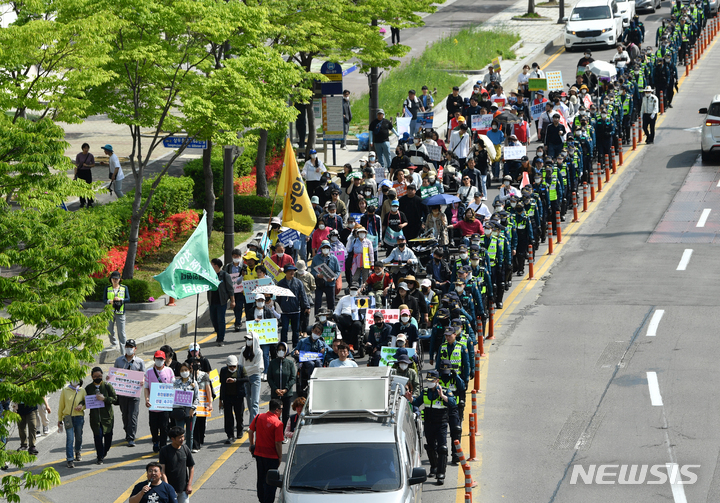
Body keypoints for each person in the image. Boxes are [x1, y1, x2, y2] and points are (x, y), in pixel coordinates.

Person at [407, 370, 455, 485]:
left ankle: (441, 473)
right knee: (430, 447)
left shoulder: (445, 391)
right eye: (428, 381)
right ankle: (434, 467)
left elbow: (453, 403)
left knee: (442, 448)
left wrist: (442, 396)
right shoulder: (425, 393)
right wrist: (410, 399)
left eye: (431, 381)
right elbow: (416, 402)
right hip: (429, 424)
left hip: (441, 424)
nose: (429, 383)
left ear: (437, 381)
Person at [248, 399, 284, 503]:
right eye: (281, 409)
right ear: (277, 410)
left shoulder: (259, 417)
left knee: (261, 478)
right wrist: (280, 457)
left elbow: (250, 431)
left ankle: (261, 498)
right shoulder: (278, 423)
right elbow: (278, 443)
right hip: (271, 457)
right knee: (271, 481)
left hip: (259, 454)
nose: (282, 411)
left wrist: (252, 444)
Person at [113, 339, 145, 447]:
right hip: (122, 393)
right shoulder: (119, 361)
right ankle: (127, 431)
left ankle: (131, 437)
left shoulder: (140, 362)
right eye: (127, 347)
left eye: (131, 347)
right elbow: (114, 375)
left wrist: (143, 381)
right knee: (125, 415)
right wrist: (110, 378)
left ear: (135, 349)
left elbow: (143, 375)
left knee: (133, 416)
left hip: (134, 393)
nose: (129, 349)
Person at [145, 350, 176, 453]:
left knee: (164, 426)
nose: (159, 361)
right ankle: (155, 441)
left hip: (164, 405)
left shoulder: (169, 371)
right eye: (157, 359)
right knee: (153, 427)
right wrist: (147, 399)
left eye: (161, 359)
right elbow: (146, 388)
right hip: (153, 405)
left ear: (165, 360)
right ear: (154, 359)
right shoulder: (149, 372)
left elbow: (173, 386)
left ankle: (163, 446)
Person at [84, 367, 117, 464]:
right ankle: (100, 457)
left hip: (107, 417)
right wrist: (81, 404)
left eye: (99, 376)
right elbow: (84, 399)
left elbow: (114, 398)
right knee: (97, 437)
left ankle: (104, 451)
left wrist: (105, 399)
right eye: (95, 376)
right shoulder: (89, 388)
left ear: (102, 375)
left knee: (108, 437)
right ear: (92, 377)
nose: (97, 378)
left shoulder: (107, 386)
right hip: (95, 418)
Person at [277, 264, 311, 347]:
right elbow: (278, 298)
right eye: (289, 271)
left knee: (296, 330)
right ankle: (283, 347)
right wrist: (277, 308)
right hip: (284, 310)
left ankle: (295, 346)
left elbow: (303, 295)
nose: (292, 272)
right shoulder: (281, 283)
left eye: (293, 270)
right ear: (285, 272)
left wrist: (307, 306)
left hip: (296, 309)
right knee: (284, 329)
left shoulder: (298, 282)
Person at [158, 427, 195, 503]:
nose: (182, 439)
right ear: (173, 439)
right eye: (180, 437)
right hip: (170, 489)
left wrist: (189, 484)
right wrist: (168, 488)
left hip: (183, 489)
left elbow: (191, 467)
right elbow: (162, 471)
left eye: (183, 436)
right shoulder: (164, 450)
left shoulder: (185, 448)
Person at [217, 355, 247, 445]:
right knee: (228, 417)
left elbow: (246, 379)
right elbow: (222, 385)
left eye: (234, 366)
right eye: (230, 366)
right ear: (227, 365)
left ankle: (239, 430)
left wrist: (235, 380)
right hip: (227, 397)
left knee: (239, 415)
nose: (232, 368)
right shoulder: (223, 371)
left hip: (238, 397)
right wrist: (220, 400)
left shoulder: (241, 369)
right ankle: (230, 435)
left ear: (237, 364)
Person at [58, 378, 86, 468]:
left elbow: (86, 403)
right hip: (68, 418)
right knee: (70, 439)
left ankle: (77, 451)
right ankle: (70, 459)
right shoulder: (65, 390)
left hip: (79, 417)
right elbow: (61, 405)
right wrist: (59, 419)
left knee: (79, 436)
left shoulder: (82, 390)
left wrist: (81, 407)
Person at [267, 342, 296, 427]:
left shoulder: (290, 363)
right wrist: (275, 389)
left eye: (283, 350)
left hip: (287, 394)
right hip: (275, 394)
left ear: (286, 351)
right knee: (274, 415)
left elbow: (293, 378)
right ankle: (275, 433)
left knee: (286, 415)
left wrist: (285, 389)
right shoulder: (272, 363)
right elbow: (270, 378)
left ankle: (284, 434)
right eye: (279, 349)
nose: (281, 351)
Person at [171, 363, 198, 451]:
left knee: (190, 434)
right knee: (179, 434)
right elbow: (175, 394)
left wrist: (193, 408)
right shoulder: (175, 383)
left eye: (185, 370)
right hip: (179, 412)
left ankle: (188, 451)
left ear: (189, 371)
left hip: (190, 413)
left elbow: (197, 398)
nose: (184, 372)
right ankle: (180, 451)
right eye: (182, 370)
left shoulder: (194, 383)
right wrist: (188, 388)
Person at [208, 258, 235, 347]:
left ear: (216, 266)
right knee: (213, 319)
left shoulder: (224, 275)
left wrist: (232, 301)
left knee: (221, 320)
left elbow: (230, 289)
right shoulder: (210, 275)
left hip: (221, 302)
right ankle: (218, 332)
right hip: (212, 302)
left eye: (211, 264)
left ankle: (220, 338)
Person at [310, 240, 341, 314]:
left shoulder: (334, 258)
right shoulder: (316, 258)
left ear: (329, 248)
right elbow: (312, 270)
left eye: (327, 247)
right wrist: (317, 275)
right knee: (318, 302)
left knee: (331, 303)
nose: (325, 249)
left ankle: (331, 317)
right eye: (324, 247)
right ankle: (317, 317)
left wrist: (334, 278)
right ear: (321, 248)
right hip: (319, 284)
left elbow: (338, 271)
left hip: (330, 284)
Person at [242, 332, 264, 425]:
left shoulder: (259, 351)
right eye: (247, 339)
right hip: (245, 378)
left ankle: (253, 423)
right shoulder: (243, 350)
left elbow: (257, 367)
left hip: (255, 377)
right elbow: (240, 364)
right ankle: (254, 420)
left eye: (250, 339)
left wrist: (244, 370)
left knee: (254, 402)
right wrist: (244, 371)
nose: (248, 341)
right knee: (249, 401)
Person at [106, 271, 128, 351]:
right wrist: (109, 301)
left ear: (119, 279)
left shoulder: (124, 288)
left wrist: (120, 299)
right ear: (111, 279)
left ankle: (124, 351)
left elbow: (128, 299)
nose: (115, 280)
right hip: (110, 312)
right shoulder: (108, 288)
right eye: (113, 279)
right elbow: (104, 299)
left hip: (120, 312)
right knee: (109, 330)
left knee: (121, 332)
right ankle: (114, 342)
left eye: (116, 279)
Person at [74, 143, 95, 208]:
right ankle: (82, 202)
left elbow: (93, 164)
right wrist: (75, 175)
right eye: (85, 148)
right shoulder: (79, 155)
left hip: (87, 172)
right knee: (81, 188)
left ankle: (89, 202)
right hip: (80, 172)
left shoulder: (90, 155)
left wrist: (87, 165)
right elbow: (76, 165)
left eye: (87, 148)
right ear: (82, 149)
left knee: (89, 187)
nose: (86, 149)